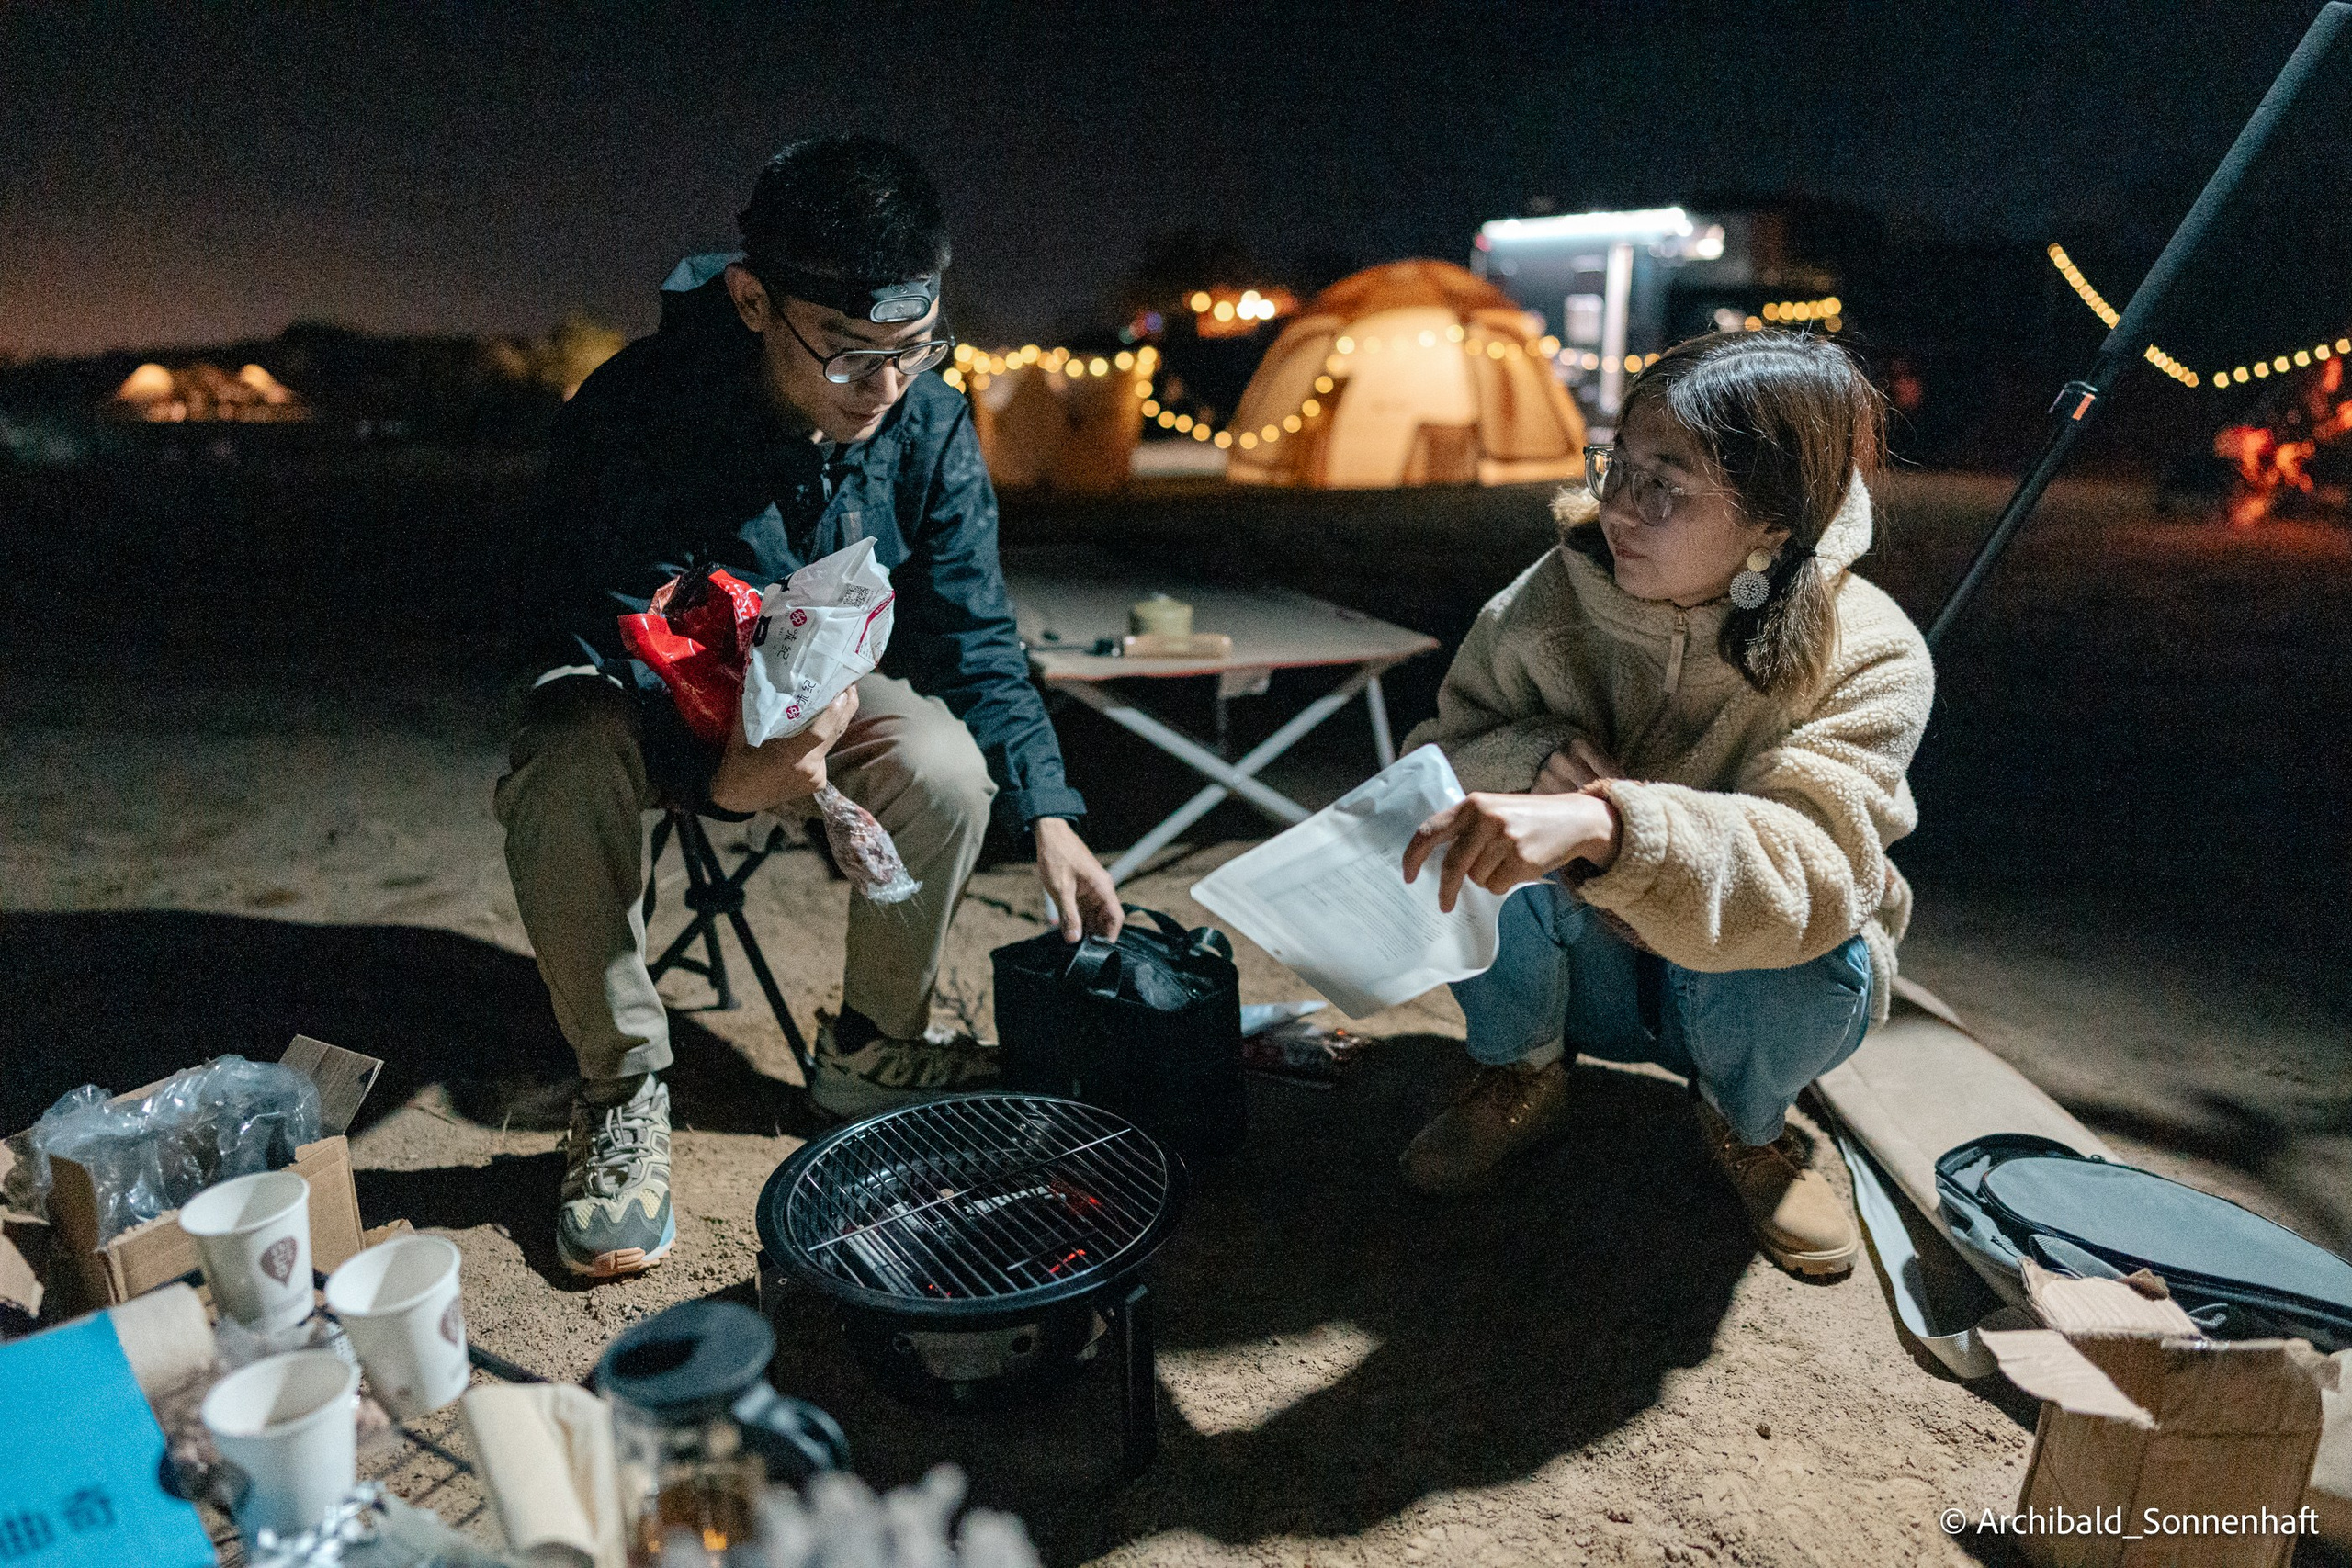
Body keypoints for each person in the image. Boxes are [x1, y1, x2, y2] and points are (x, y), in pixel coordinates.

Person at [495, 136, 1124, 1279]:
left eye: (912, 348)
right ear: (751, 300)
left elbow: (974, 636)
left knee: (940, 758)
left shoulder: (925, 423)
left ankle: (874, 1050)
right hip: (645, 702)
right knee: (561, 749)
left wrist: (1051, 810)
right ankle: (623, 1088)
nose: (884, 389)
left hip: (811, 711)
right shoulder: (638, 412)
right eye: (847, 355)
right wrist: (719, 779)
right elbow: (600, 625)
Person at [1396, 330, 1933, 1278]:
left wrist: (1615, 827)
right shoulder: (1547, 599)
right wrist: (1524, 758)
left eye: (1664, 486)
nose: (1616, 509)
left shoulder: (1872, 651)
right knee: (1475, 830)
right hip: (1587, 970)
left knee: (1811, 941)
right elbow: (1435, 756)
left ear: (1773, 519)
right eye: (1616, 466)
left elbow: (1812, 867)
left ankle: (1748, 1125)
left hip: (1743, 994)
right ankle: (1519, 1073)